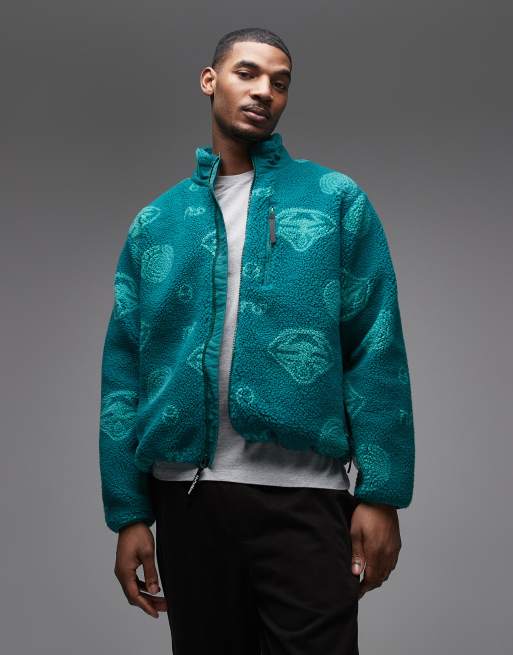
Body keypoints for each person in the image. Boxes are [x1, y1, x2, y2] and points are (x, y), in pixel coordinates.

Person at [98, 26, 415, 655]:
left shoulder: (335, 200)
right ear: (209, 80)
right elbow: (124, 372)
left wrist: (381, 495)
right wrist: (129, 512)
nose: (264, 90)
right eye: (247, 73)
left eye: (280, 81)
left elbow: (376, 349)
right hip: (187, 502)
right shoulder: (156, 223)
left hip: (305, 499)